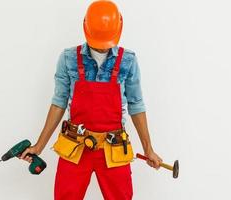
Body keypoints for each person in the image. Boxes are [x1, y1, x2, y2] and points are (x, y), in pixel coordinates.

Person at [19, 0, 162, 199]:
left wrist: (149, 149)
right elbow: (58, 102)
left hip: (114, 148)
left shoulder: (128, 60)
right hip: (75, 146)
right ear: (85, 27)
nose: (103, 48)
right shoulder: (68, 58)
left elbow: (136, 104)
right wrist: (39, 146)